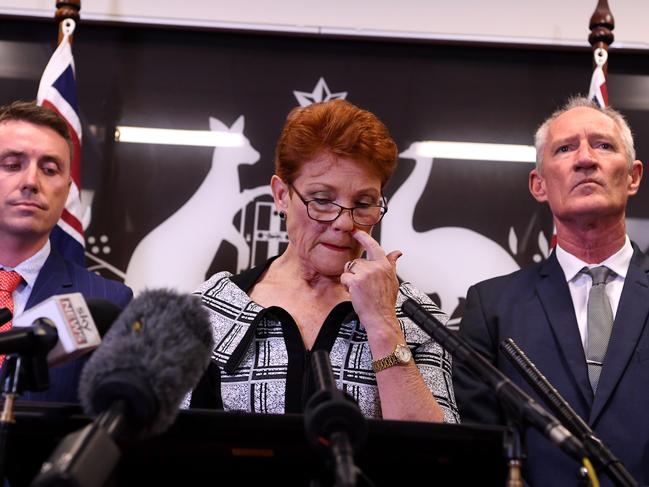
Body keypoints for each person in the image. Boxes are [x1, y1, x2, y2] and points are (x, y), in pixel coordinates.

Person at [187, 99, 458, 423]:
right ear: (282, 195)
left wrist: (383, 324)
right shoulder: (213, 306)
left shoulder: (417, 317)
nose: (344, 222)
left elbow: (431, 459)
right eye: (322, 200)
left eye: (363, 202)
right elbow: (167, 449)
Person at [453, 97, 648, 485]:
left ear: (633, 176)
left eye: (604, 145)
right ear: (538, 185)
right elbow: (480, 452)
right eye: (565, 148)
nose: (585, 159)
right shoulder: (491, 308)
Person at [0, 100, 133, 403]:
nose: (31, 182)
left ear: (69, 190)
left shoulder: (106, 303)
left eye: (49, 169)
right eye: (11, 165)